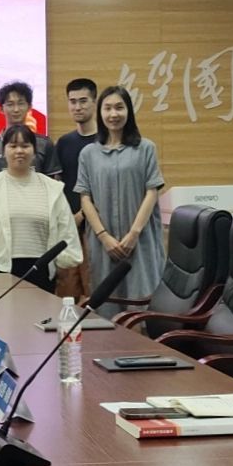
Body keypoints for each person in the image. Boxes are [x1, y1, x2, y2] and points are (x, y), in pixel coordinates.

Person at [75, 85, 165, 318]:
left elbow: (152, 192)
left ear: (129, 111)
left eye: (119, 107)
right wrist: (103, 236)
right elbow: (85, 197)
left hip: (140, 240)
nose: (113, 114)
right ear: (100, 113)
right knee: (106, 307)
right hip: (103, 244)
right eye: (107, 108)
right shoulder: (88, 153)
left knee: (142, 307)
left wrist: (133, 234)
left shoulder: (145, 148)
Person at [0, 125, 82, 293]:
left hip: (41, 271)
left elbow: (66, 230)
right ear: (3, 151)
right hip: (1, 271)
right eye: (13, 146)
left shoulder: (52, 188)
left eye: (25, 146)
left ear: (34, 151)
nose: (19, 151)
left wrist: (64, 265)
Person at [55, 78, 98, 298]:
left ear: (94, 102)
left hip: (98, 228)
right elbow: (58, 184)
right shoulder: (64, 143)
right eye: (73, 102)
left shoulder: (105, 141)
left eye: (83, 101)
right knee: (67, 292)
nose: (78, 107)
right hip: (69, 228)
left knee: (95, 290)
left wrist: (82, 215)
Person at [0, 81, 61, 179]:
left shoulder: (44, 144)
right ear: (1, 109)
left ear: (29, 107)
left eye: (21, 103)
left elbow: (52, 180)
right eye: (10, 104)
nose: (16, 109)